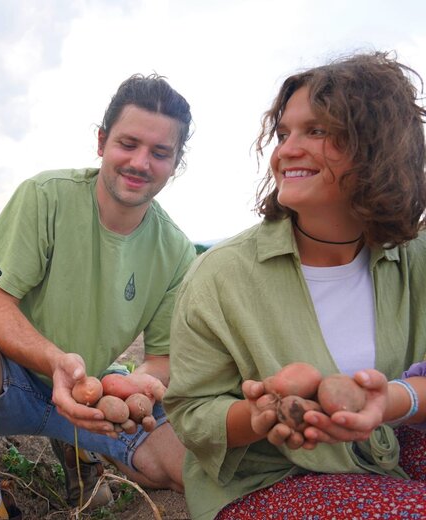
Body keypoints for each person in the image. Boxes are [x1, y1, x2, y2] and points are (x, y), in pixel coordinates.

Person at [0, 73, 197, 519]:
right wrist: (55, 362)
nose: (141, 162)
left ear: (175, 163)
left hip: (92, 395)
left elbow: (162, 357)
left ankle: (79, 448)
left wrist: (134, 386)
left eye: (160, 152)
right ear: (102, 141)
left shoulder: (177, 250)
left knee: (188, 469)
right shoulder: (46, 198)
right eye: (129, 143)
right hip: (17, 382)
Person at [163, 51, 426, 520]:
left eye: (317, 130)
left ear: (379, 146)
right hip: (272, 479)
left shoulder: (415, 256)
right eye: (284, 133)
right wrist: (261, 417)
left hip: (390, 446)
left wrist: (390, 401)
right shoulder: (221, 275)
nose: (286, 149)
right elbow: (191, 414)